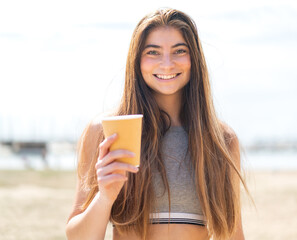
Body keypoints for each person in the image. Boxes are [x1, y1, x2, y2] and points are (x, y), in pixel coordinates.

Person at [66, 8, 248, 240]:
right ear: (137, 60)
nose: (167, 63)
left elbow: (233, 235)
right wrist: (104, 197)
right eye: (153, 52)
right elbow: (78, 237)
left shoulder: (220, 139)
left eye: (179, 51)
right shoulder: (104, 131)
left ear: (194, 59)